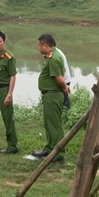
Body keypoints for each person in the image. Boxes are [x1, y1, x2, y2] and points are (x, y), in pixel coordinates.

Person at [32, 34, 70, 163]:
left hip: (53, 95)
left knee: (54, 124)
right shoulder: (53, 55)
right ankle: (49, 148)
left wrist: (65, 86)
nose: (38, 48)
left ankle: (58, 153)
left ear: (45, 45)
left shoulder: (53, 58)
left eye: (39, 45)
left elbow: (58, 77)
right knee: (49, 123)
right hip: (49, 94)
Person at [54, 44, 72, 110]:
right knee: (63, 101)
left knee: (64, 102)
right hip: (63, 80)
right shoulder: (57, 52)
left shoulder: (56, 54)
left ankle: (67, 116)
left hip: (63, 81)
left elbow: (62, 70)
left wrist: (63, 85)